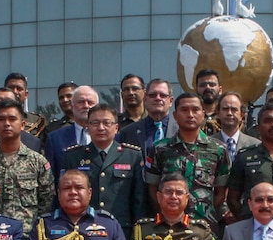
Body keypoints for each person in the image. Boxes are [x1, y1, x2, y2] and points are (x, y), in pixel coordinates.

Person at [142, 93, 230, 229]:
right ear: (175, 116)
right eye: (184, 110)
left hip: (205, 226)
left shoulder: (218, 149)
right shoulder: (160, 148)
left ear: (203, 114)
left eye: (195, 110)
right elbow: (153, 188)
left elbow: (221, 192)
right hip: (168, 225)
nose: (190, 115)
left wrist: (206, 211)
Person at [0, 99, 55, 232]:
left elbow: (47, 201)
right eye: (1, 119)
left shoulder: (38, 162)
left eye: (12, 119)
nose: (7, 124)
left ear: (22, 125)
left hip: (26, 236)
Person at [63, 103, 147, 224]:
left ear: (116, 128)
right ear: (87, 127)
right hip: (84, 228)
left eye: (107, 123)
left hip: (122, 229)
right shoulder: (73, 156)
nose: (101, 128)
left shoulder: (132, 155)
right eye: (95, 123)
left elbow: (139, 200)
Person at [43, 84, 99, 171]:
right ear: (72, 106)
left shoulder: (111, 137)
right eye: (81, 102)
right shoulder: (55, 138)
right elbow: (50, 176)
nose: (86, 106)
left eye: (90, 102)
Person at [120, 78, 174, 152]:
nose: (158, 98)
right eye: (153, 95)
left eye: (163, 95)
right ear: (145, 99)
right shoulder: (128, 133)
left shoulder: (182, 129)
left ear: (171, 101)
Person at [2, 72, 48, 138]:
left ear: (26, 95)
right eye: (11, 88)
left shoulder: (37, 121)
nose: (15, 91)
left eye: (19, 88)